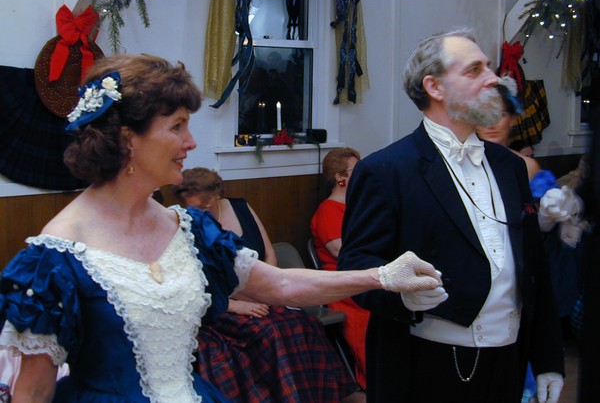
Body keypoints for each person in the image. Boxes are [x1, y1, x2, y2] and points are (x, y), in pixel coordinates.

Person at [0, 53, 443, 403]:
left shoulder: (191, 228)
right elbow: (34, 391)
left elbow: (283, 284)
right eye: (177, 127)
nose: (191, 143)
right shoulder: (54, 258)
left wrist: (381, 277)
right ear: (126, 138)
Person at [337, 29, 565, 403]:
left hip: (509, 358)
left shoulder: (510, 166)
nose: (494, 79)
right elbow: (356, 267)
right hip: (423, 361)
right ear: (435, 86)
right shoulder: (386, 170)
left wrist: (548, 358)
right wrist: (403, 298)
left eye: (489, 68)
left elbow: (533, 266)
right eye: (475, 70)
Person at [174, 167, 358, 402]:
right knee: (269, 332)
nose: (198, 212)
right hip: (222, 304)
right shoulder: (182, 223)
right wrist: (233, 304)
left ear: (216, 195)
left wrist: (266, 291)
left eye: (204, 205)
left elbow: (269, 253)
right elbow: (190, 283)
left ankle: (321, 396)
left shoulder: (241, 207)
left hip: (261, 291)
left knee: (303, 324)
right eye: (193, 207)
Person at [311, 147, 370, 391]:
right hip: (342, 284)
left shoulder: (358, 206)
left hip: (363, 276)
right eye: (356, 170)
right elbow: (343, 253)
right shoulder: (328, 210)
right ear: (339, 177)